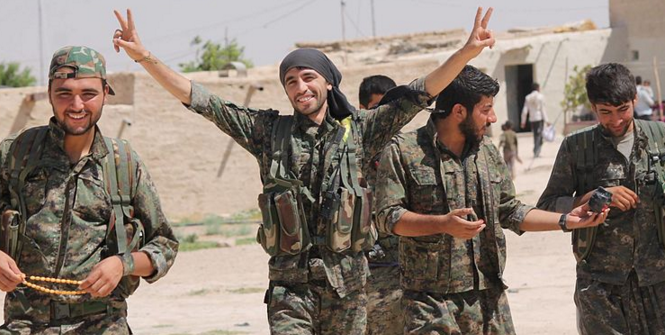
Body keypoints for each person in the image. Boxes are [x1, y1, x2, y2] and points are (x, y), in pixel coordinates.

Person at [112, 7, 495, 335]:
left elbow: (421, 92)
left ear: (328, 82)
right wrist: (145, 58)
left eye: (308, 77)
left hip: (348, 288)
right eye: (291, 81)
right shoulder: (267, 132)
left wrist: (466, 52)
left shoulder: (360, 131)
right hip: (289, 289)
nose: (300, 87)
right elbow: (202, 100)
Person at [374, 65, 608, 335]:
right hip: (429, 301)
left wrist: (567, 220)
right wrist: (442, 223)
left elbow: (509, 210)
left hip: (489, 298)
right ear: (459, 111)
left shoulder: (487, 152)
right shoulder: (404, 151)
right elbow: (388, 218)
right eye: (486, 109)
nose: (494, 118)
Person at [0, 46, 178, 334]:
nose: (77, 105)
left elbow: (165, 245)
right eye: (64, 93)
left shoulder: (123, 163)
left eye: (89, 94)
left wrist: (123, 264)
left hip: (102, 322)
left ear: (106, 93)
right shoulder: (15, 154)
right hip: (26, 323)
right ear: (49, 94)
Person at [537, 63, 665, 334]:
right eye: (605, 112)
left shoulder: (660, 140)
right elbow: (548, 205)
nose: (616, 120)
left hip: (657, 282)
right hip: (600, 286)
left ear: (635, 100)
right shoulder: (576, 147)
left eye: (623, 110)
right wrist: (591, 197)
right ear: (592, 107)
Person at [358, 75, 402, 335]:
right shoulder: (350, 153)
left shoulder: (409, 151)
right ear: (364, 111)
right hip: (368, 271)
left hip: (405, 270)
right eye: (377, 110)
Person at [520, 83, 549, 158]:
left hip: (532, 119)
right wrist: (547, 120)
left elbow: (525, 110)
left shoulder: (528, 97)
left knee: (535, 135)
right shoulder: (540, 97)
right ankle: (536, 151)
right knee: (539, 135)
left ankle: (536, 150)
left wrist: (523, 121)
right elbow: (543, 109)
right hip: (539, 118)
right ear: (537, 88)